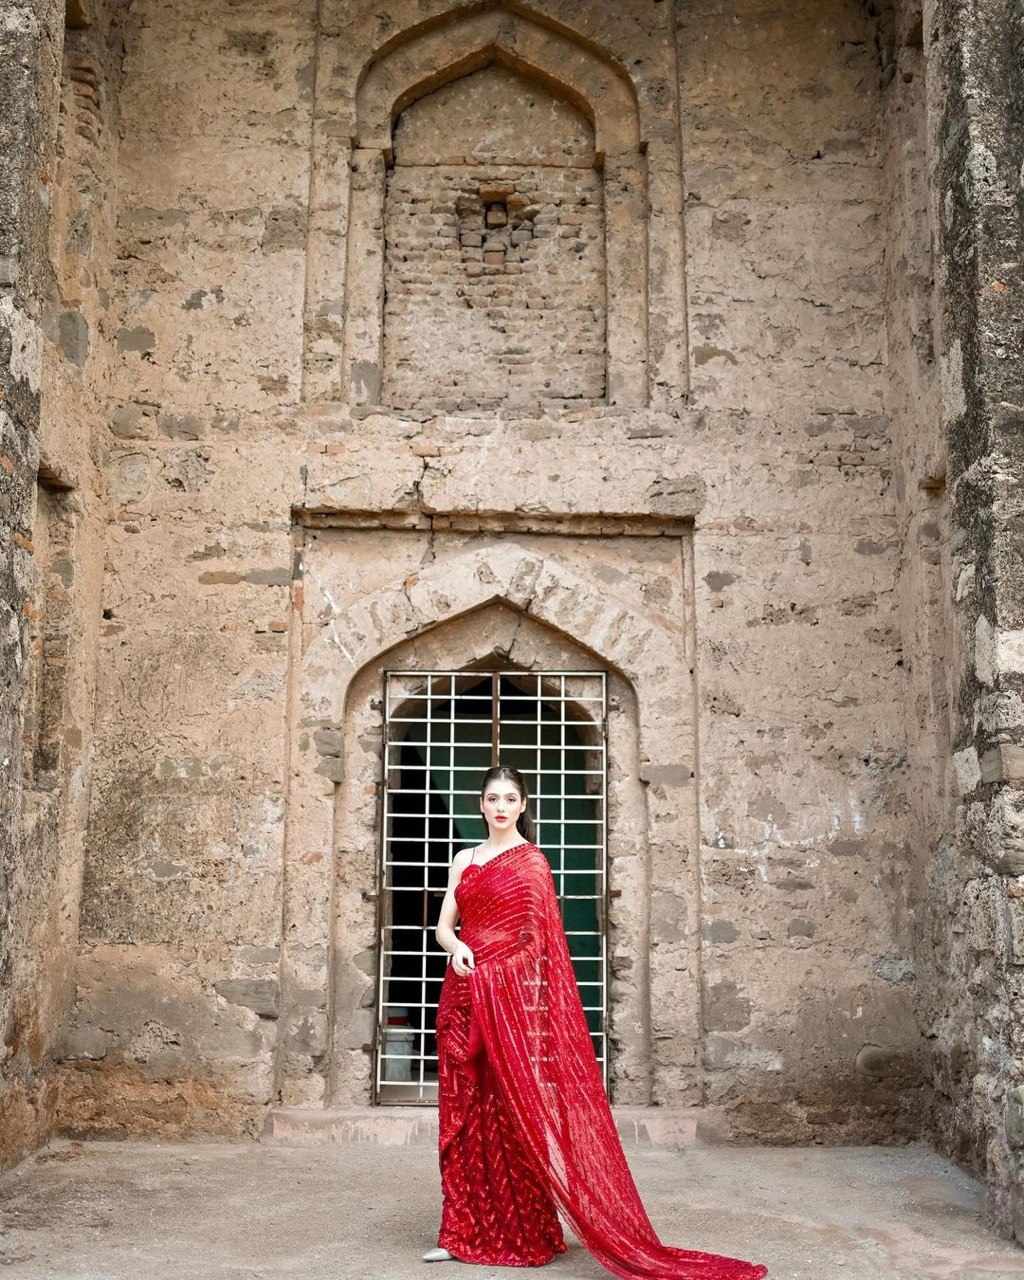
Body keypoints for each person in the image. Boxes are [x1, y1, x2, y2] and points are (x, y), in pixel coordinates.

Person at [424, 764, 769, 1279]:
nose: (500, 807)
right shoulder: (464, 859)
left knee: (513, 1114)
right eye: (492, 798)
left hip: (507, 1003)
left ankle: (525, 1232)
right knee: (467, 1116)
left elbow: (536, 945)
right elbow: (444, 928)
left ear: (523, 806)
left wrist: (494, 970)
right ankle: (461, 1232)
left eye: (510, 798)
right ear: (480, 804)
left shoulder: (532, 864)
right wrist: (457, 949)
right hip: (463, 996)